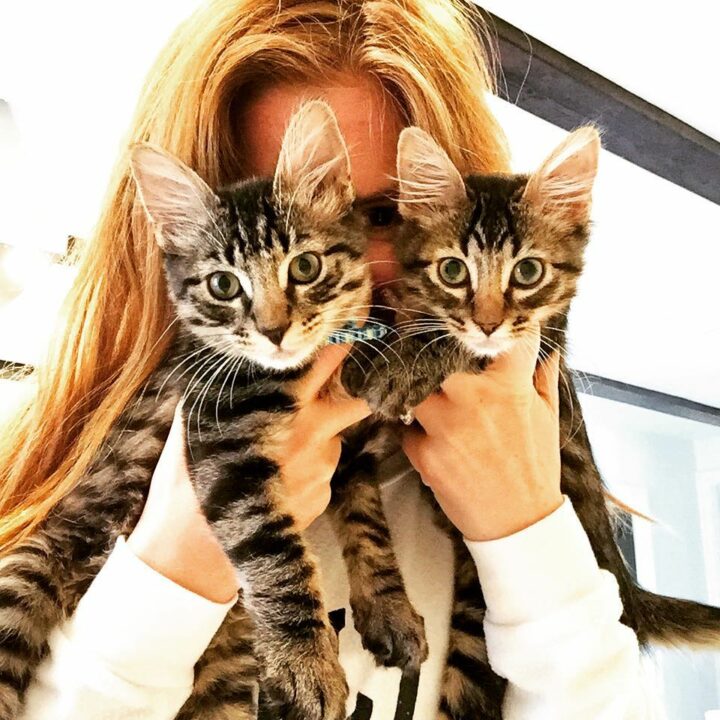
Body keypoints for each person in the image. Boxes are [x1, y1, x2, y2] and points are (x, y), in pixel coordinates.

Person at [0, 1, 649, 718]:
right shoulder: (75, 461)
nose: (287, 312)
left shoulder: (513, 450)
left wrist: (527, 533)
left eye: (381, 215)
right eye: (241, 209)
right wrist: (170, 572)